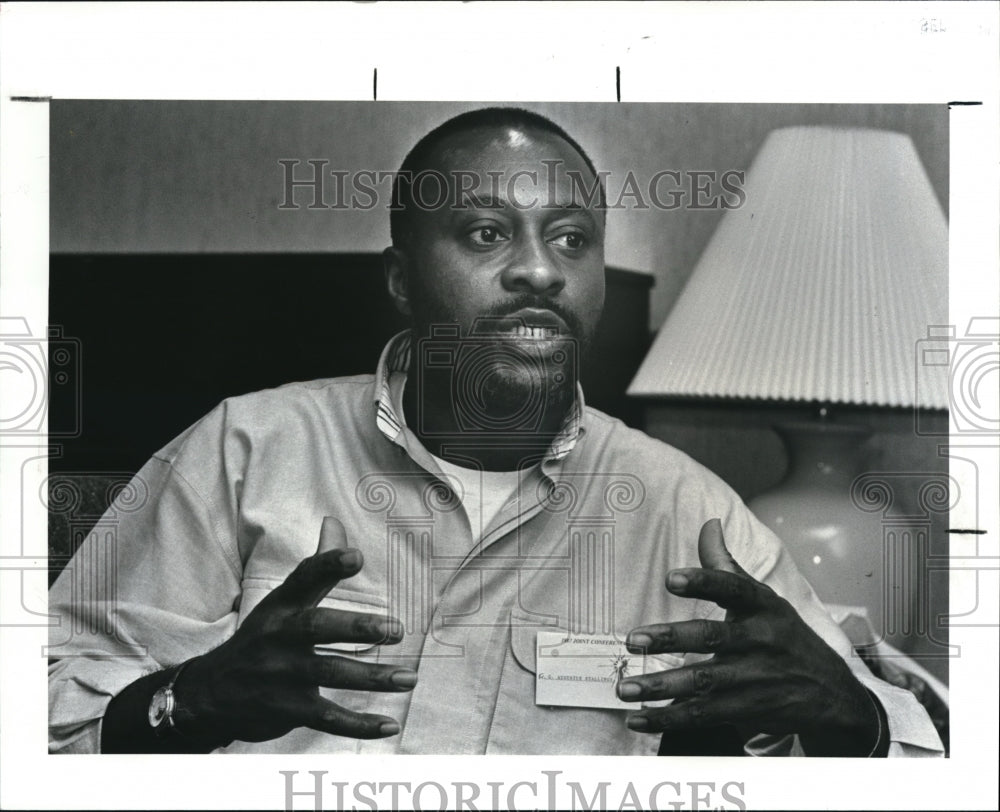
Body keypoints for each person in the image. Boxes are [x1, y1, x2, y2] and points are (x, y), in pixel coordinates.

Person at [48, 107, 944, 756]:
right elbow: (43, 708)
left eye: (570, 238)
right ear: (402, 280)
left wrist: (848, 720)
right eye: (485, 233)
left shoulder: (684, 509)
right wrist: (184, 701)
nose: (537, 271)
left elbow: (915, 748)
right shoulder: (245, 450)